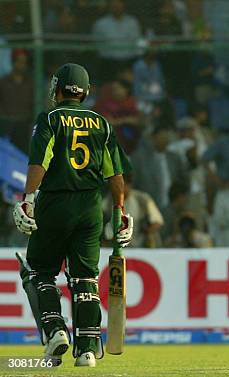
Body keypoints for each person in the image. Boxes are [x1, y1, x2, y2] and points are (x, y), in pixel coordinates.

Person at [12, 63, 133, 367]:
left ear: (59, 88)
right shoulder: (102, 123)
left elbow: (40, 161)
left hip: (55, 202)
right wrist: (120, 210)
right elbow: (116, 175)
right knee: (85, 278)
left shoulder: (50, 119)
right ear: (86, 91)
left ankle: (55, 332)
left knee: (38, 270)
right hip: (92, 207)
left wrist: (28, 198)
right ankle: (88, 349)